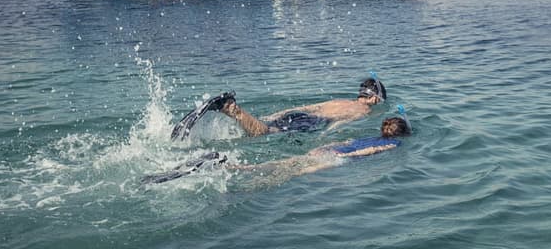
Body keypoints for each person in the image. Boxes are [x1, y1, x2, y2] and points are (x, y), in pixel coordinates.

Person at [145, 116, 410, 185]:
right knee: (287, 173)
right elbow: (364, 152)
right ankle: (229, 168)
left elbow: (349, 141)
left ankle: (229, 166)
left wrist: (326, 148)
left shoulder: (367, 134)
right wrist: (342, 157)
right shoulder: (392, 144)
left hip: (328, 149)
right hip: (335, 157)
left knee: (284, 165)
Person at [170, 78, 386, 140]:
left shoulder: (340, 100)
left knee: (263, 127)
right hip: (312, 123)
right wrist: (326, 136)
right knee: (264, 132)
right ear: (375, 99)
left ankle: (235, 112)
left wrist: (278, 113)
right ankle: (231, 108)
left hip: (301, 115)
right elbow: (340, 123)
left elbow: (308, 106)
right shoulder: (363, 111)